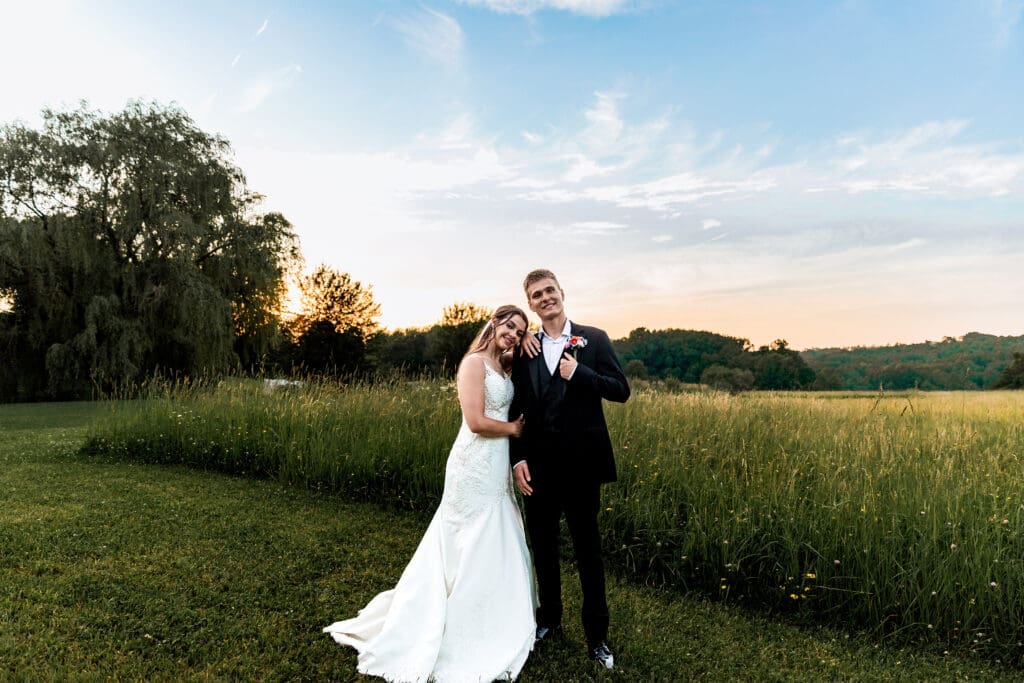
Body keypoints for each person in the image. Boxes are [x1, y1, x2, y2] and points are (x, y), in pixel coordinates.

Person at [324, 305, 536, 682]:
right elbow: (474, 422)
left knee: (494, 532)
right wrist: (514, 431)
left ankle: (492, 613)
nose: (514, 336)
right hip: (472, 463)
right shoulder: (473, 364)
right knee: (465, 536)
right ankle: (451, 616)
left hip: (495, 466)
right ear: (494, 323)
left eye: (520, 332)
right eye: (510, 327)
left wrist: (530, 342)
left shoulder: (504, 366)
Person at [509, 269, 630, 670]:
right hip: (539, 468)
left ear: (562, 294)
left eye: (550, 291)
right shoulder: (525, 349)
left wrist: (580, 373)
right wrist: (518, 457)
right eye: (537, 295)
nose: (545, 298)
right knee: (543, 549)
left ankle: (597, 638)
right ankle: (550, 622)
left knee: (587, 553)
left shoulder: (594, 339)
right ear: (531, 304)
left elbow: (621, 390)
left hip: (582, 467)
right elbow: (517, 406)